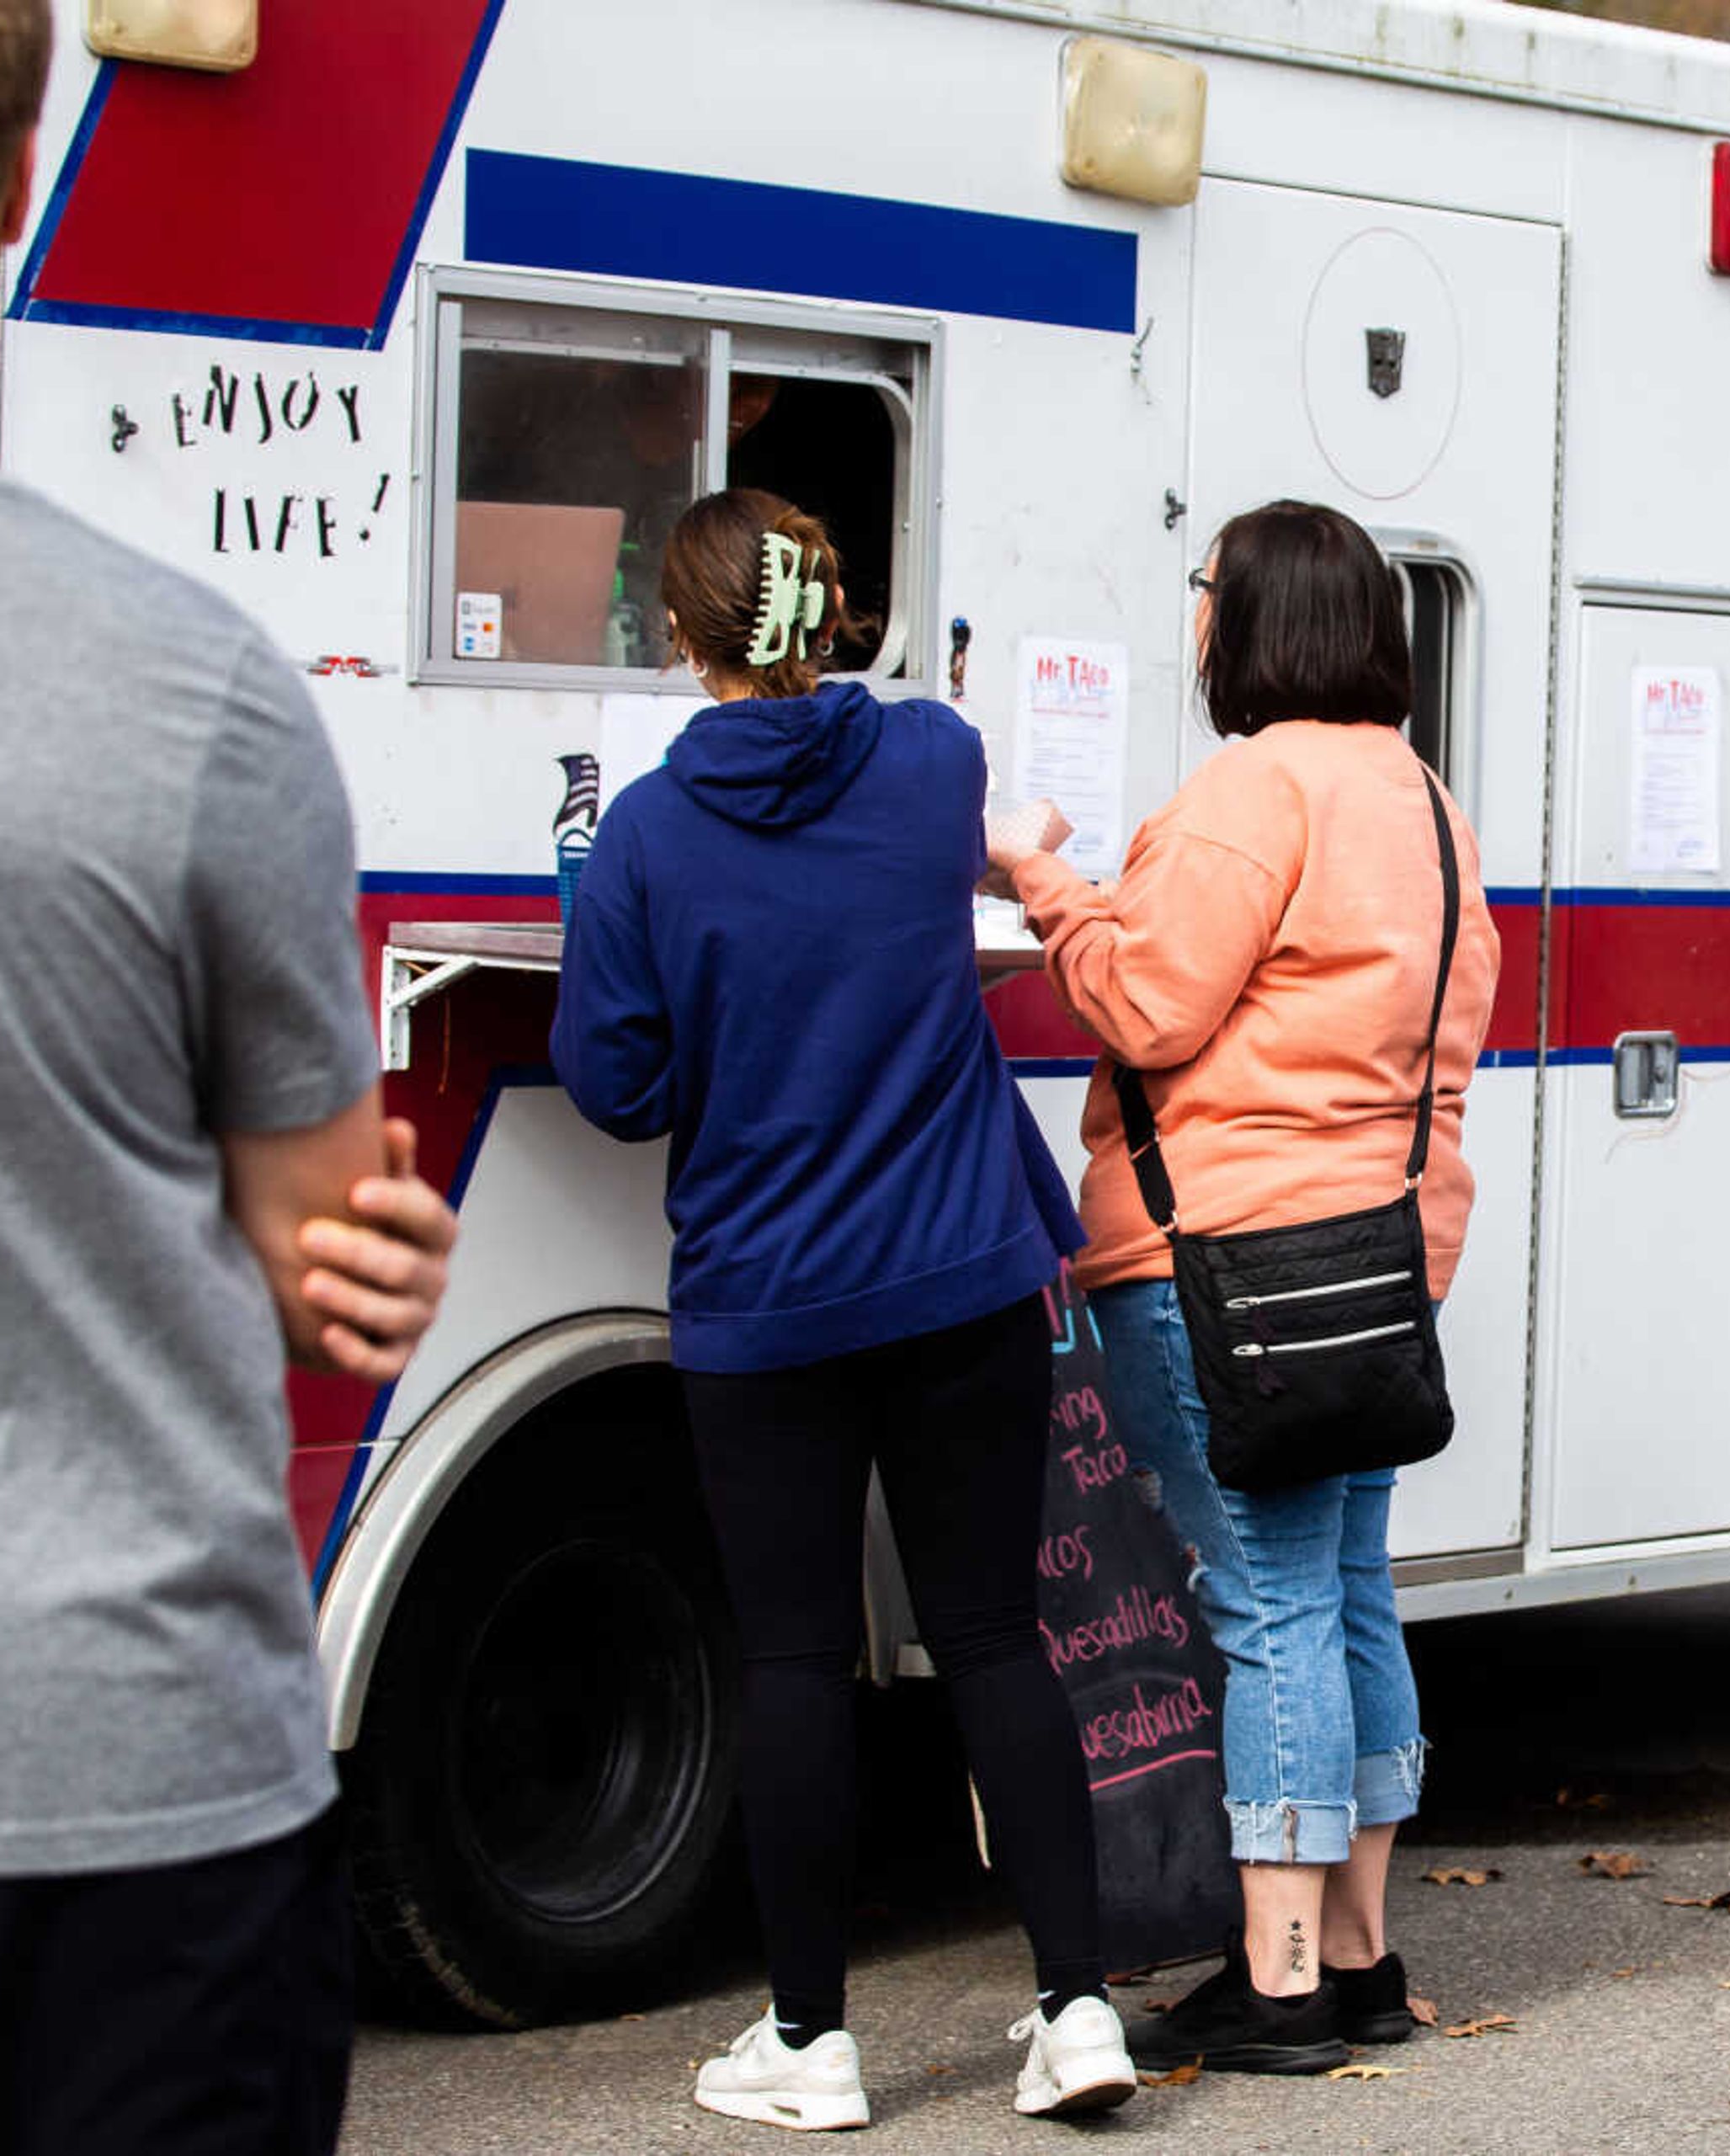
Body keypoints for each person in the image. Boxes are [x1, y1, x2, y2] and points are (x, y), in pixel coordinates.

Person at [0, 5, 461, 2150]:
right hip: (119, 1775)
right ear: (18, 180)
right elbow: (328, 1243)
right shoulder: (189, 691)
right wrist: (363, 1262)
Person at [550, 488, 1132, 2129]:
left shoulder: (653, 831)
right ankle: (1078, 2007)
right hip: (963, 1272)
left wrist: (607, 907)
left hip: (768, 1302)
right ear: (835, 617)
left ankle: (813, 2042)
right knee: (999, 1636)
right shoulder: (936, 760)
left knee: (797, 1659)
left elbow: (614, 1079)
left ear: (681, 640)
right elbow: (909, 860)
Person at [987, 500, 1502, 2075]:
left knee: (1267, 1603)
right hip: (1380, 1259)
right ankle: (1355, 1950)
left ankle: (1274, 1984)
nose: (1195, 613)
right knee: (1346, 1586)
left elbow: (1145, 1000)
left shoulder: (1250, 787)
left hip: (1222, 1263)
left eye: (1207, 588)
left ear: (1257, 615)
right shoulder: (1427, 802)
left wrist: (1045, 886)